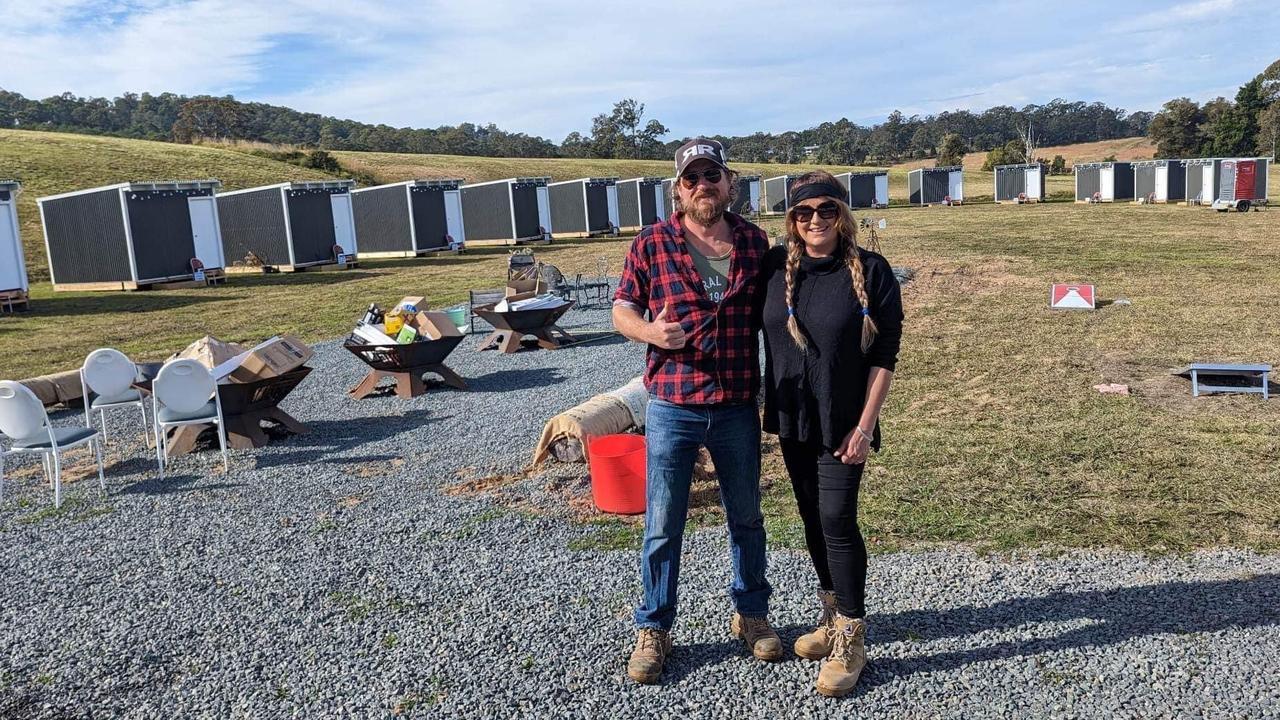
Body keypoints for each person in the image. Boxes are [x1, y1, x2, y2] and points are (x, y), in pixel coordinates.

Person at [612, 138, 778, 684]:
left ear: (730, 183)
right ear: (676, 189)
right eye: (692, 179)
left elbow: (783, 309)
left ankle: (752, 615)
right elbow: (621, 308)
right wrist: (650, 331)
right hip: (672, 404)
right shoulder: (651, 243)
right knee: (662, 523)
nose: (703, 186)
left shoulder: (756, 244)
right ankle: (654, 628)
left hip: (734, 404)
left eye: (713, 176)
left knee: (746, 517)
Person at [757, 171, 903, 698]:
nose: (814, 220)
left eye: (825, 210)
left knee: (838, 519)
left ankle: (851, 638)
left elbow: (884, 357)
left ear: (842, 214)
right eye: (802, 212)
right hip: (795, 419)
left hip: (846, 425)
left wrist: (865, 427)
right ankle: (831, 615)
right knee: (812, 520)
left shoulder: (872, 270)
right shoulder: (776, 268)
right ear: (791, 220)